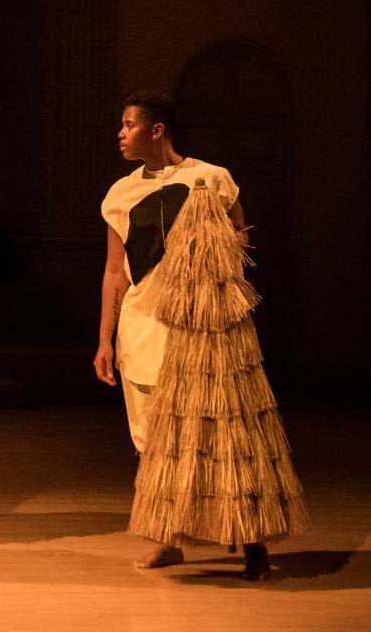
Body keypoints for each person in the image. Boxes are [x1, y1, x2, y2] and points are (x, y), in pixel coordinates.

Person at [94, 90, 252, 572]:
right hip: (142, 324)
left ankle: (246, 534)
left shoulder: (211, 177)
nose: (120, 134)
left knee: (218, 428)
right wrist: (104, 337)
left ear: (156, 130)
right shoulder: (120, 193)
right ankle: (169, 536)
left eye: (128, 125)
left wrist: (224, 303)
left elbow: (240, 243)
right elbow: (115, 270)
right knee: (151, 438)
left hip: (199, 325)